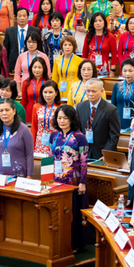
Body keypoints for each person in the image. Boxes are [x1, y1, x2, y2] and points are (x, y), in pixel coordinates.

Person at [52, 105, 90, 249]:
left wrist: (82, 182)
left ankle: (73, 244)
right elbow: (50, 157)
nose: (62, 121)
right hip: (56, 179)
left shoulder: (80, 137)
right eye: (59, 118)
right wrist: (47, 178)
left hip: (73, 181)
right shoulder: (54, 135)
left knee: (72, 213)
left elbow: (84, 162)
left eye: (65, 118)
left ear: (72, 119)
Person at [75, 78, 119, 159]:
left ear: (101, 91)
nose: (90, 94)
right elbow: (77, 130)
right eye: (88, 91)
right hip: (83, 152)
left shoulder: (111, 109)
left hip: (101, 154)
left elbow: (114, 135)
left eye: (94, 91)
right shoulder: (80, 107)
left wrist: (106, 153)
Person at [111, 60, 134, 131]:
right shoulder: (117, 86)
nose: (127, 74)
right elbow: (113, 105)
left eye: (130, 71)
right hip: (119, 120)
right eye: (125, 71)